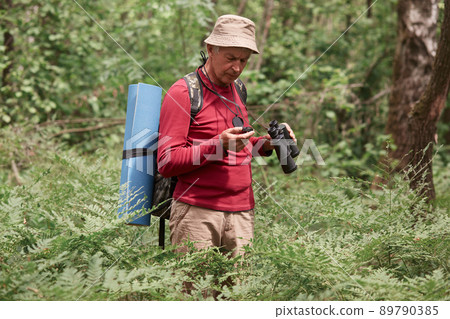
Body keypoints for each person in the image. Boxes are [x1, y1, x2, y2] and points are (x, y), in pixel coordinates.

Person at [157, 14, 296, 257]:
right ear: (211, 49)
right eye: (230, 58)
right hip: (197, 213)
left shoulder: (238, 89)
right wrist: (217, 145)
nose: (237, 68)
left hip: (242, 214)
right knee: (196, 293)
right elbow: (167, 162)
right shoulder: (183, 93)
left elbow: (240, 146)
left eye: (243, 60)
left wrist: (267, 144)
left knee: (239, 293)